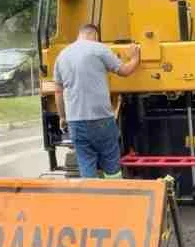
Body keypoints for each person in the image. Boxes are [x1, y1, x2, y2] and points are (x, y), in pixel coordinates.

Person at [53, 24, 140, 179]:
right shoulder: (99, 49)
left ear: (79, 34)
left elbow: (58, 91)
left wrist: (62, 117)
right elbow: (124, 71)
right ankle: (115, 191)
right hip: (101, 118)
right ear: (95, 35)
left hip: (75, 121)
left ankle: (92, 192)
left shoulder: (62, 55)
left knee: (86, 164)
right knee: (111, 164)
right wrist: (135, 58)